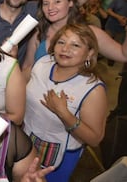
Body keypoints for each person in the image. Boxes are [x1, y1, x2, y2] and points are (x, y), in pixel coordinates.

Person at [23, 24, 107, 181]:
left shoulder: (93, 89)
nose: (65, 49)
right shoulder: (42, 63)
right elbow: (20, 82)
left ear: (90, 53)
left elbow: (95, 139)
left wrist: (64, 114)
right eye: (61, 42)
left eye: (75, 45)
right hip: (25, 142)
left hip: (57, 158)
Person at [22, 0, 127, 78]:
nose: (50, 7)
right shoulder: (39, 33)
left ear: (70, 3)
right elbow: (27, 67)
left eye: (57, 2)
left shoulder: (89, 33)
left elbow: (124, 55)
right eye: (45, 3)